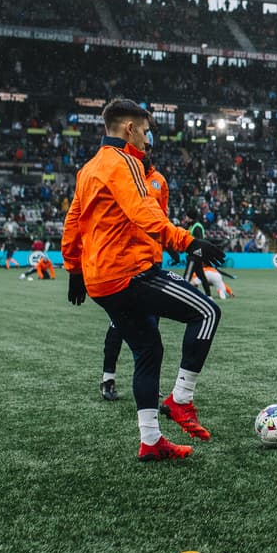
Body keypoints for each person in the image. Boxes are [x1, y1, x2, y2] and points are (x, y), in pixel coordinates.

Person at [62, 99, 226, 459]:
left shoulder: (89, 168)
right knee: (207, 312)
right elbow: (144, 211)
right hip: (129, 273)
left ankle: (151, 440)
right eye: (145, 130)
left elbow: (74, 220)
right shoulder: (125, 162)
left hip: (100, 281)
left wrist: (74, 268)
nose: (147, 137)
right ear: (129, 129)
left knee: (148, 350)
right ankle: (181, 400)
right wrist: (188, 242)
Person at [100, 149, 169, 402]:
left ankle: (150, 383)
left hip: (153, 261)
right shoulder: (122, 173)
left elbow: (162, 217)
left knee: (152, 328)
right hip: (126, 262)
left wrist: (168, 244)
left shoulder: (159, 181)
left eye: (149, 147)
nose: (145, 151)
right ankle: (108, 378)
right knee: (118, 324)